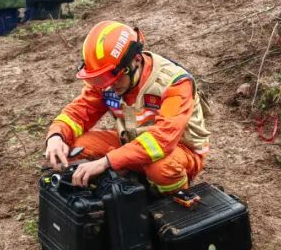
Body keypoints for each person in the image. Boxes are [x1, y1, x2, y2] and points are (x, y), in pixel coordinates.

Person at [44, 21, 211, 195]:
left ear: (136, 60)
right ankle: (114, 197)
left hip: (179, 150)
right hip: (131, 142)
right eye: (100, 78)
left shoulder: (175, 84)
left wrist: (106, 162)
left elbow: (162, 141)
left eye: (112, 77)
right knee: (73, 147)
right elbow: (80, 112)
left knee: (161, 168)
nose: (108, 84)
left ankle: (171, 200)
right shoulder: (105, 79)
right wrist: (56, 135)